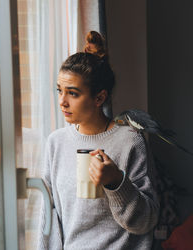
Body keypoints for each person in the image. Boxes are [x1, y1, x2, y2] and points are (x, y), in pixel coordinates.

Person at [37, 35, 159, 250]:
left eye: (72, 93)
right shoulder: (56, 143)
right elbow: (49, 215)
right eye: (59, 90)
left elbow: (146, 221)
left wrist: (116, 182)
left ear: (99, 98)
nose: (62, 101)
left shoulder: (129, 141)